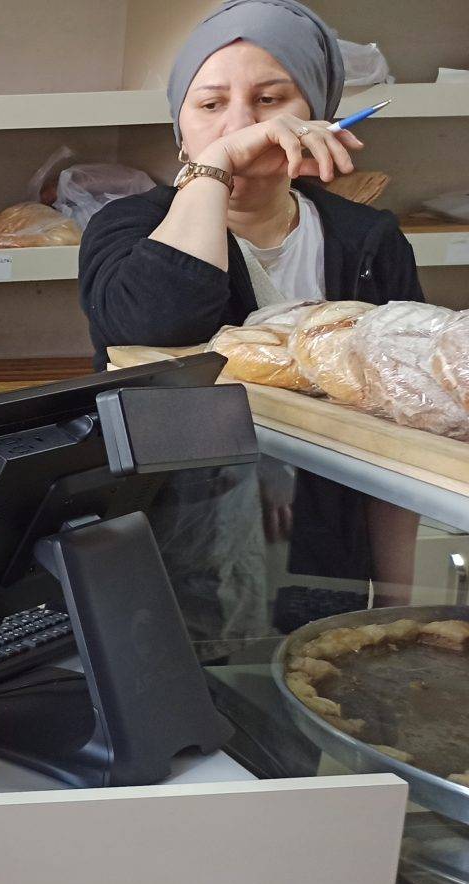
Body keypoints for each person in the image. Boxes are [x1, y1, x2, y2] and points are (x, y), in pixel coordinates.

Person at [78, 0, 421, 635]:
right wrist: (213, 170)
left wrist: (399, 604)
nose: (240, 124)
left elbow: (401, 431)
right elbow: (159, 325)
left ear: (315, 112)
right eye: (210, 105)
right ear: (179, 125)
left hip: (324, 565)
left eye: (269, 99)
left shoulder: (367, 240)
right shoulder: (127, 230)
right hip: (165, 562)